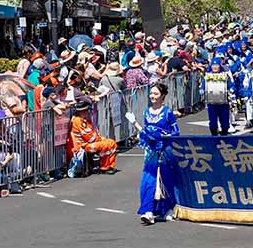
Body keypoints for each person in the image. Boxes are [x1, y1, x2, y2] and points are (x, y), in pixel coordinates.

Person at [126, 83, 180, 225]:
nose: (152, 96)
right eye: (151, 94)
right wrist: (136, 125)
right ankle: (148, 211)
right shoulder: (147, 112)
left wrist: (164, 136)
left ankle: (168, 208)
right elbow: (145, 132)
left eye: (156, 94)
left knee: (165, 180)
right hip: (150, 152)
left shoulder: (167, 112)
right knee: (148, 180)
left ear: (162, 96)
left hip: (165, 151)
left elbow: (176, 132)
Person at [70, 101, 118, 174]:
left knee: (111, 142)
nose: (87, 112)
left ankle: (109, 165)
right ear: (82, 111)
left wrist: (102, 138)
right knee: (105, 145)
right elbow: (89, 137)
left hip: (89, 143)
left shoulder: (85, 120)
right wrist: (100, 139)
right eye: (86, 110)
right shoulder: (77, 120)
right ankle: (104, 167)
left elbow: (94, 132)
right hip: (83, 145)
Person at [202, 57, 236, 136]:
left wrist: (231, 89)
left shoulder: (224, 75)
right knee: (213, 123)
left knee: (224, 122)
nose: (215, 67)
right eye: (213, 65)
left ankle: (224, 135)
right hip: (212, 103)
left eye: (217, 65)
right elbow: (203, 85)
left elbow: (231, 85)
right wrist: (202, 89)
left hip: (223, 103)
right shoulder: (207, 76)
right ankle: (214, 136)